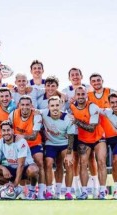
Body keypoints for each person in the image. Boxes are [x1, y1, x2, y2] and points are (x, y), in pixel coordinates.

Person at [62, 68, 97, 198]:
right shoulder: (65, 91)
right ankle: (77, 188)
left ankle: (96, 187)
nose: (75, 77)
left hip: (88, 129)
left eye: (77, 74)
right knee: (75, 160)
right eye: (72, 75)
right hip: (74, 131)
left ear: (82, 76)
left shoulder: (88, 88)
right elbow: (63, 109)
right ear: (69, 77)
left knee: (91, 158)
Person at [70, 86, 107, 200]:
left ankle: (102, 191)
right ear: (75, 96)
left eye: (83, 94)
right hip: (83, 139)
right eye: (78, 94)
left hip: (98, 137)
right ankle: (84, 192)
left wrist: (76, 121)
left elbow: (91, 128)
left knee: (101, 162)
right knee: (83, 163)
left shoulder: (92, 106)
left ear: (86, 95)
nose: (81, 96)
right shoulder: (71, 107)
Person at [0, 120, 39, 199]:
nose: (6, 133)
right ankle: (9, 189)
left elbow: (21, 165)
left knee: (33, 170)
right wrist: (3, 168)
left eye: (8, 130)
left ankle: (32, 191)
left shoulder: (21, 142)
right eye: (4, 130)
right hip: (12, 170)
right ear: (1, 132)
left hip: (25, 169)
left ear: (12, 131)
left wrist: (15, 183)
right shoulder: (0, 143)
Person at [9, 95, 45, 199]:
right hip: (19, 146)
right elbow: (9, 132)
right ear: (18, 105)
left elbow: (33, 136)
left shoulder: (36, 115)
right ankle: (22, 191)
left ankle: (40, 192)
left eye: (27, 105)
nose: (25, 107)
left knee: (40, 163)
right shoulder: (12, 114)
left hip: (34, 144)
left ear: (31, 105)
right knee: (19, 166)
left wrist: (21, 136)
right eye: (22, 105)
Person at [39, 96, 75, 200]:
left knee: (68, 164)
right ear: (48, 107)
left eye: (57, 105)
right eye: (52, 105)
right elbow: (34, 111)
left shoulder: (68, 118)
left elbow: (71, 138)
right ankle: (49, 191)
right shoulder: (44, 113)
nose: (55, 108)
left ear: (61, 105)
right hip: (50, 143)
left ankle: (67, 192)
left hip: (65, 143)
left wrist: (69, 154)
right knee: (48, 163)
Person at [100, 93, 117, 199]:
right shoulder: (108, 112)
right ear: (109, 104)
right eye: (112, 103)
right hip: (113, 139)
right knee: (115, 162)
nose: (115, 104)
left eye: (116, 102)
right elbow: (94, 108)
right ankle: (115, 190)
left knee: (115, 160)